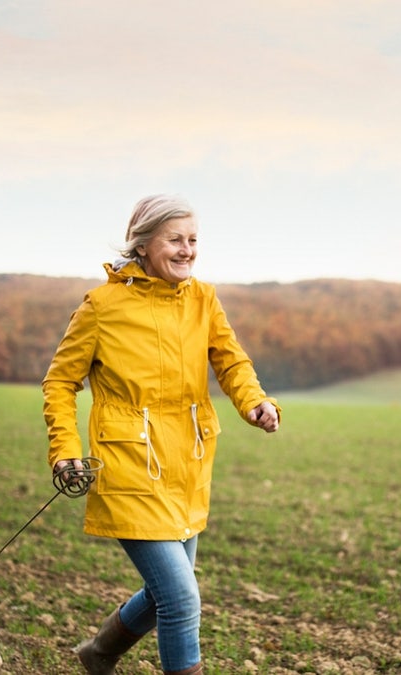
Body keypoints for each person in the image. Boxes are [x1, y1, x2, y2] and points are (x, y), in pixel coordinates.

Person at [42, 194, 281, 675]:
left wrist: (254, 401)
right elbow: (60, 382)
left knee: (165, 592)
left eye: (193, 240)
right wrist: (65, 450)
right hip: (128, 467)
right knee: (180, 598)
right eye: (176, 239)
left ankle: (99, 653)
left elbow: (230, 359)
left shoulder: (203, 298)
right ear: (144, 244)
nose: (187, 250)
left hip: (187, 465)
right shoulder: (101, 306)